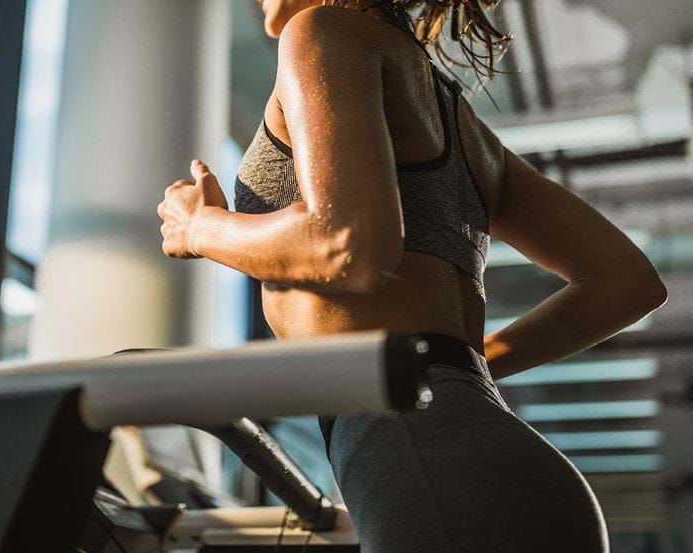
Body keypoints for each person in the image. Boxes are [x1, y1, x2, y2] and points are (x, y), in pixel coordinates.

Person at [156, 0, 668, 551]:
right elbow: (625, 281)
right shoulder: (460, 122)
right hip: (479, 455)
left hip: (427, 456)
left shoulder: (322, 29)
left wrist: (200, 228)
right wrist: (458, 372)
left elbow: (346, 245)